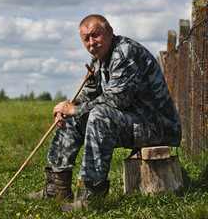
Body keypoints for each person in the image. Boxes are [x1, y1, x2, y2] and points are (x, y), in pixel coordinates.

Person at [27, 14, 182, 212]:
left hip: (156, 126)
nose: (92, 43)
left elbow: (118, 99)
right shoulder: (99, 59)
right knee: (73, 118)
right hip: (133, 122)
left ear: (109, 32)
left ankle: (94, 194)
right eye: (86, 39)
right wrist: (68, 107)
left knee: (99, 115)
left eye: (96, 35)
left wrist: (75, 109)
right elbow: (89, 94)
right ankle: (58, 187)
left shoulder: (125, 53)